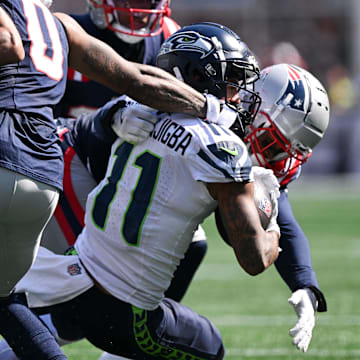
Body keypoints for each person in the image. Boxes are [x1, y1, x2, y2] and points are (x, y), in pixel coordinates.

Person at [0, 22, 280, 360]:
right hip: (122, 311)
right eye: (230, 79)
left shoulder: (133, 112)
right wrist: (273, 218)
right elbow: (254, 259)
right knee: (209, 347)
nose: (236, 94)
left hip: (74, 279)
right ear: (198, 75)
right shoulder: (220, 147)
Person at [50, 0, 209, 304]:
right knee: (81, 286)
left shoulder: (170, 38)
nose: (139, 9)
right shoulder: (67, 34)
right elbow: (37, 125)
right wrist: (102, 121)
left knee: (193, 243)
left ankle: (139, 338)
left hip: (132, 177)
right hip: (69, 166)